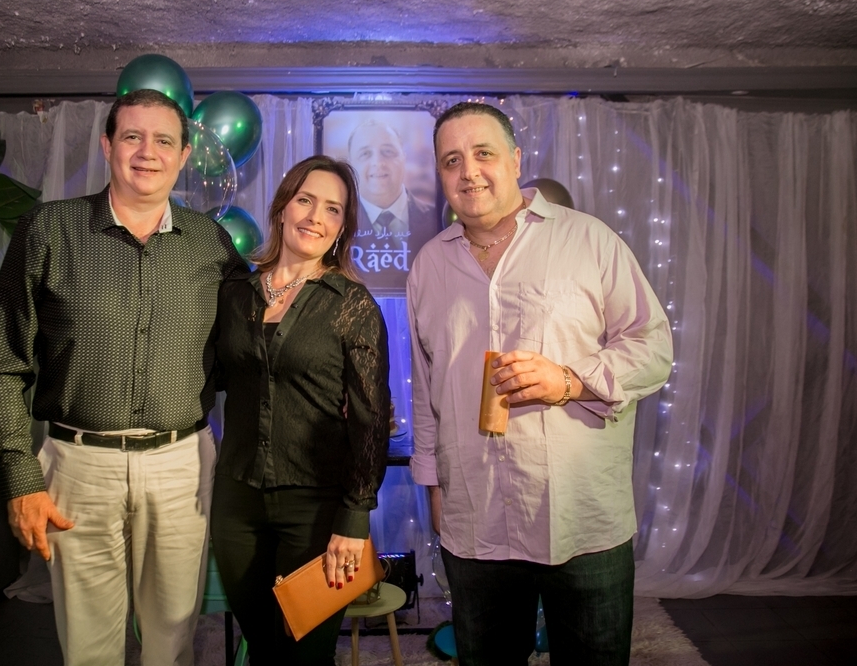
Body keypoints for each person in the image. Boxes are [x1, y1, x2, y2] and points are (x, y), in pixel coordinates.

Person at [0, 89, 247, 666]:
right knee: (89, 648)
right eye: (132, 137)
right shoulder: (50, 231)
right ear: (107, 146)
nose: (147, 152)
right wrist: (21, 479)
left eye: (164, 141)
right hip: (79, 467)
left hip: (182, 467)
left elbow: (248, 347)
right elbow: (1, 364)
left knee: (173, 643)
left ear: (183, 155)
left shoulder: (211, 243)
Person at [407, 102, 673, 665]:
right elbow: (426, 389)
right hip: (475, 516)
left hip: (581, 517)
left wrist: (571, 381)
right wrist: (433, 486)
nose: (468, 171)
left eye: (483, 153)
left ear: (515, 160)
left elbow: (653, 347)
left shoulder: (589, 240)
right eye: (451, 160)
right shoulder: (429, 265)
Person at [210, 155, 391, 666]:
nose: (315, 217)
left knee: (305, 654)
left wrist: (354, 517)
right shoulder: (235, 295)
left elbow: (371, 420)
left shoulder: (352, 305)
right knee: (263, 649)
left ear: (342, 227)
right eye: (305, 200)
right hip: (236, 503)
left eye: (332, 209)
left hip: (317, 509)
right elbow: (210, 377)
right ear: (282, 208)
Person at [346, 120, 439, 288]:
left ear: (404, 157)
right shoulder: (336, 225)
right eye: (365, 154)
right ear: (350, 164)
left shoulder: (439, 221)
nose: (378, 162)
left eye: (388, 152)